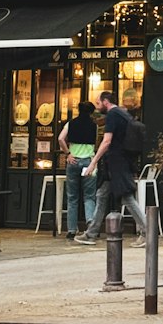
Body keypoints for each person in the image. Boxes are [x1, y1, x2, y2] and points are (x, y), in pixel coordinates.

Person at [74, 91, 148, 246]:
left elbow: (107, 141)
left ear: (106, 102)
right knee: (101, 195)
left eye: (98, 103)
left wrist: (93, 162)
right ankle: (91, 233)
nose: (97, 107)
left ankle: (147, 232)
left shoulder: (113, 115)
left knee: (127, 197)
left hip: (117, 162)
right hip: (117, 162)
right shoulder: (123, 114)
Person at [58, 101, 98, 240]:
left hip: (73, 161)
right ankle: (90, 225)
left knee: (72, 197)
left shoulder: (70, 124)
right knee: (89, 196)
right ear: (91, 112)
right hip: (89, 162)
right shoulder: (94, 126)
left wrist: (68, 153)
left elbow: (61, 139)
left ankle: (71, 230)